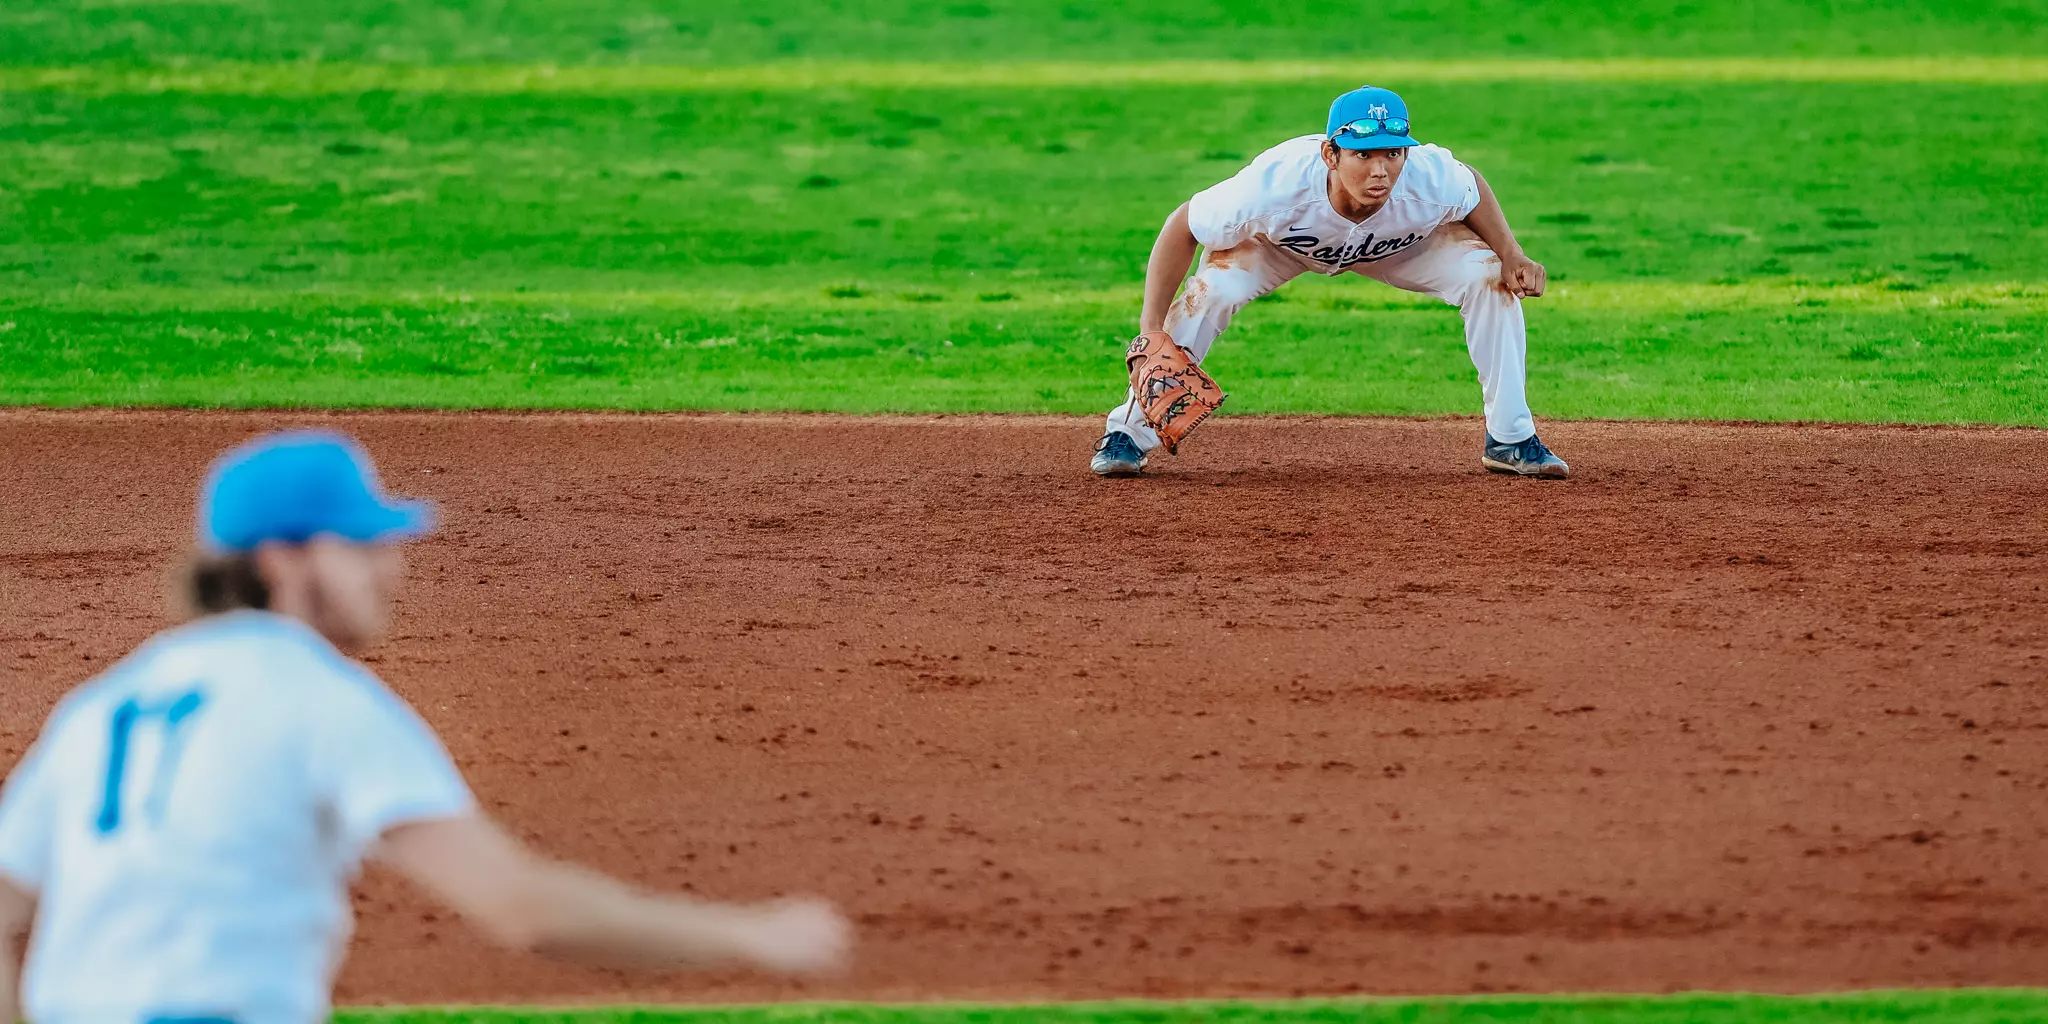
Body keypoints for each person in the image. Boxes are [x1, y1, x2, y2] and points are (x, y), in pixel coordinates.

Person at [0, 430, 849, 1024]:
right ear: (280, 561)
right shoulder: (318, 697)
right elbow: (523, 909)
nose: (392, 569)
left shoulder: (105, 705)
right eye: (362, 547)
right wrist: (751, 934)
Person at [1091, 85, 1571, 479]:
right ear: (1330, 153)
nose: (1380, 169)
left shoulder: (1428, 176)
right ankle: (1127, 434)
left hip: (1397, 245)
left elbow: (1473, 190)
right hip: (1280, 246)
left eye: (1392, 152)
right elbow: (1183, 226)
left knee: (1488, 278)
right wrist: (1150, 329)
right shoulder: (1272, 187)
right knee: (1209, 293)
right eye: (1363, 154)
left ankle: (1510, 439)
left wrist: (1511, 255)